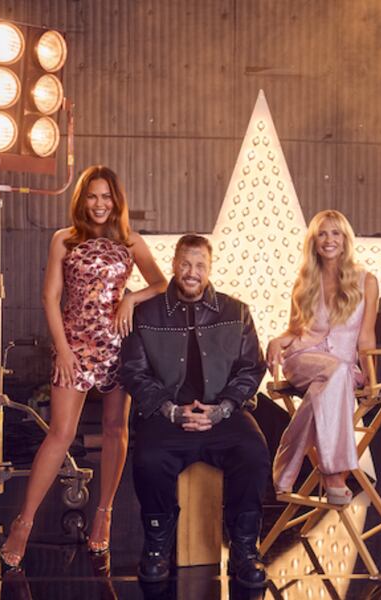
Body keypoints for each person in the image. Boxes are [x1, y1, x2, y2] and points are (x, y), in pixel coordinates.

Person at [0, 165, 167, 567]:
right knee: (61, 433)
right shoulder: (64, 239)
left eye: (106, 196)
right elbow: (49, 297)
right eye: (92, 196)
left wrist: (130, 299)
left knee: (115, 429)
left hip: (119, 347)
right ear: (81, 199)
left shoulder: (130, 242)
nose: (99, 204)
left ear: (117, 201)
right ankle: (24, 522)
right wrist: (62, 350)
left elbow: (162, 284)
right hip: (74, 345)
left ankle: (104, 514)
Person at [120, 234, 271, 589]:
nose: (192, 272)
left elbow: (252, 367)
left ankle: (245, 550)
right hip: (167, 415)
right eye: (185, 264)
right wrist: (169, 410)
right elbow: (134, 371)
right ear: (174, 265)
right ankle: (157, 546)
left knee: (253, 451)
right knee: (148, 458)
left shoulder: (236, 311)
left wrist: (224, 408)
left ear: (210, 268)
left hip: (223, 413)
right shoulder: (145, 314)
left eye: (200, 265)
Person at [268, 210, 378, 504]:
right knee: (336, 374)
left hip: (342, 369)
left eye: (335, 233)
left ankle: (286, 465)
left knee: (334, 378)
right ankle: (333, 475)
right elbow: (295, 330)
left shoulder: (366, 281)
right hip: (303, 358)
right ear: (314, 242)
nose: (329, 240)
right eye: (322, 234)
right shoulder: (304, 282)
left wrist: (371, 376)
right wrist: (277, 340)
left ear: (345, 239)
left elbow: (366, 336)